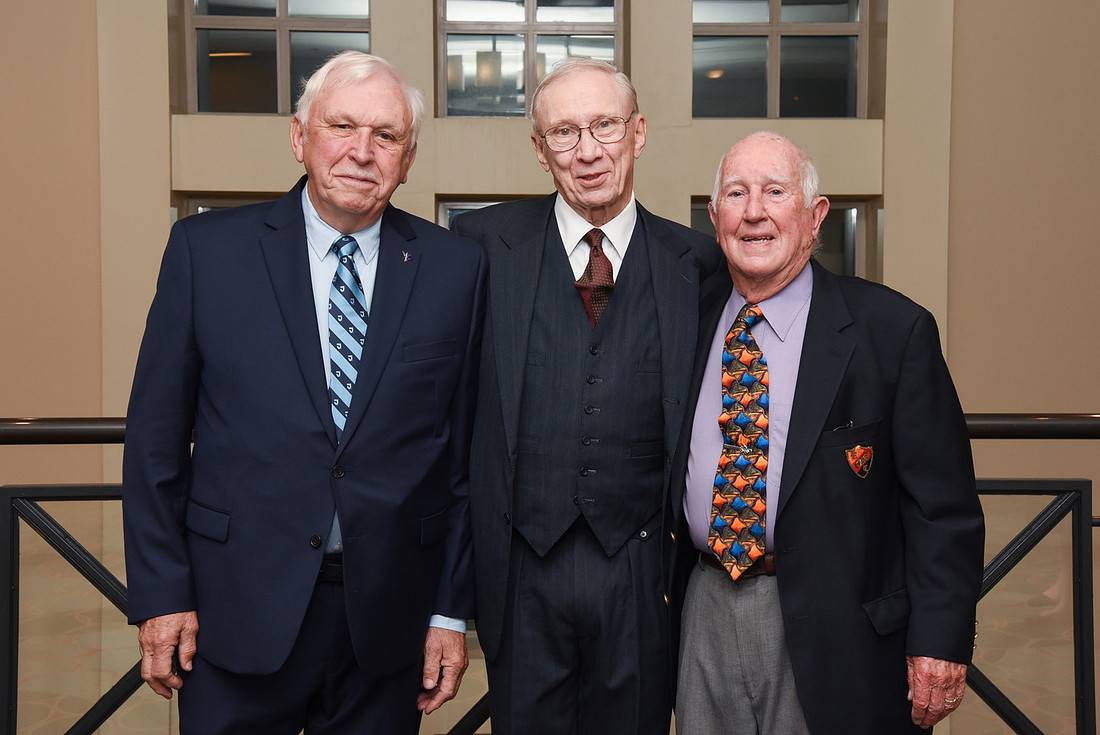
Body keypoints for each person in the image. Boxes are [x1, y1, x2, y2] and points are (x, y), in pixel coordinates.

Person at [122, 51, 485, 734]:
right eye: (341, 126)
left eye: (385, 135)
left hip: (389, 621)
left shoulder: (455, 268)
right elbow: (154, 442)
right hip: (234, 610)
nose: (361, 151)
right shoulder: (206, 252)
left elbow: (463, 461)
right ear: (299, 136)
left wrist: (448, 611)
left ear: (408, 159)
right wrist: (162, 592)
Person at [668, 131, 985, 733]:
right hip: (704, 606)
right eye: (736, 193)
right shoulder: (687, 320)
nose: (754, 212)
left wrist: (941, 641)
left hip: (840, 628)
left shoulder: (892, 331)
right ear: (714, 218)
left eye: (775, 191)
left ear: (815, 216)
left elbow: (942, 508)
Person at [451, 57, 722, 734]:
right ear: (539, 149)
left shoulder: (698, 263)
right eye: (565, 132)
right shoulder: (480, 246)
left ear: (638, 133)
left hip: (642, 572)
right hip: (520, 570)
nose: (588, 150)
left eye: (605, 125)